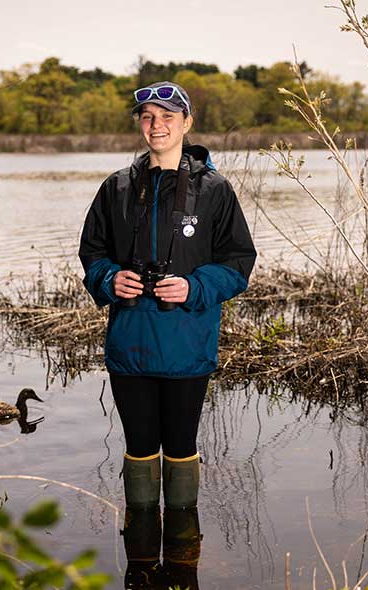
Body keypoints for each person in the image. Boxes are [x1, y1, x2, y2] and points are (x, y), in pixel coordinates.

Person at [78, 80, 256, 519]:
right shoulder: (116, 187)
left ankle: (182, 553)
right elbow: (93, 252)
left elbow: (238, 261)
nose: (156, 126)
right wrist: (109, 279)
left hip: (187, 346)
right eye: (148, 117)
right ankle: (139, 558)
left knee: (180, 447)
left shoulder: (215, 190)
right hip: (130, 347)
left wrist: (194, 287)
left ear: (187, 123)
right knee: (138, 447)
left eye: (167, 117)